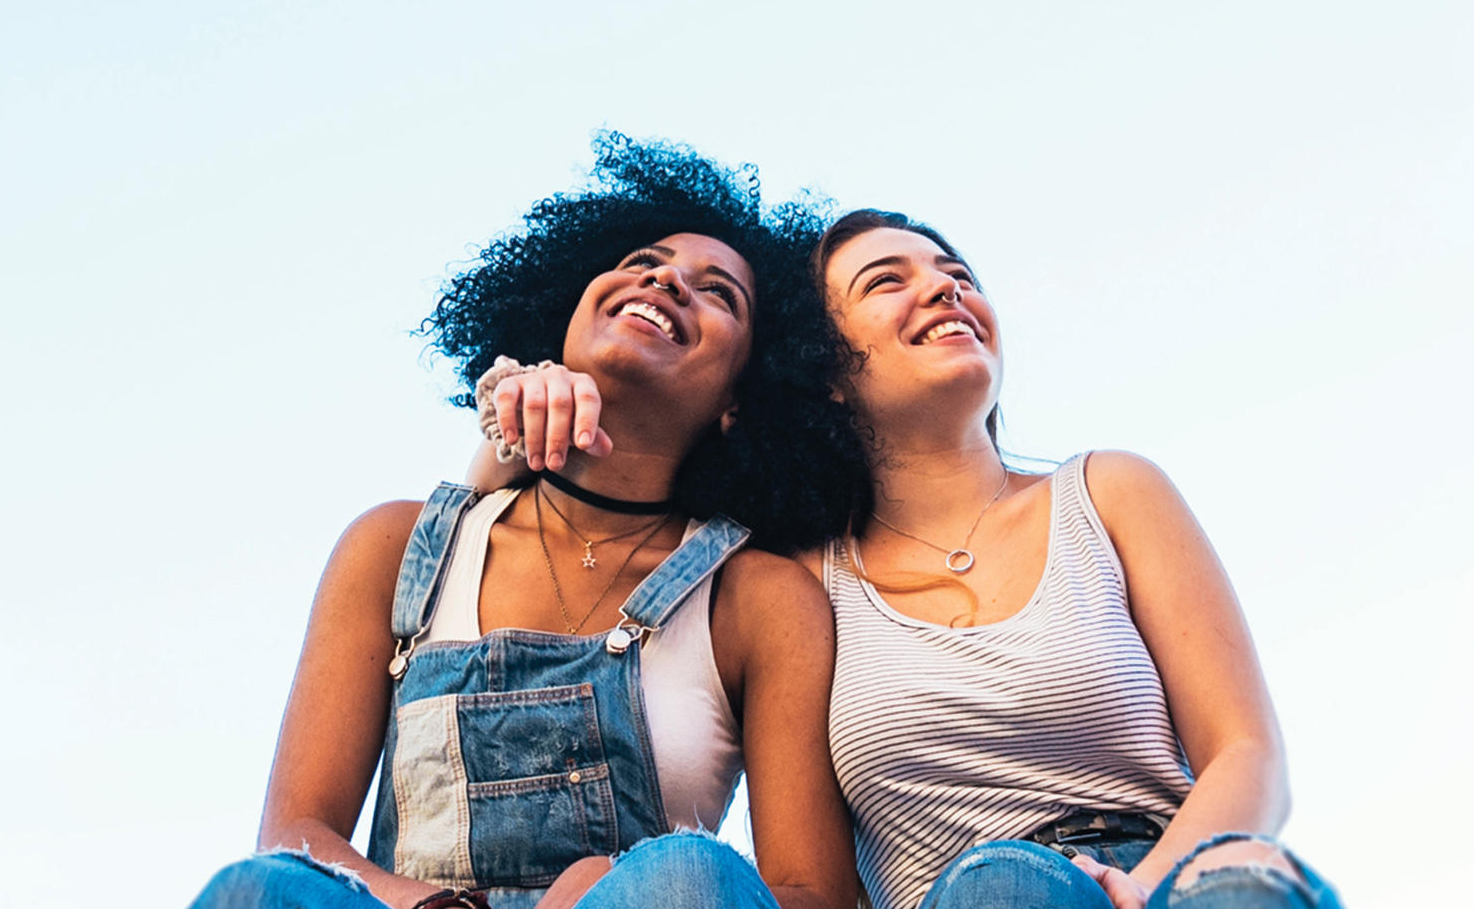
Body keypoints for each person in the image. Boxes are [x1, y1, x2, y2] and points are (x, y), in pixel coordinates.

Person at [482, 208, 1343, 909]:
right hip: (962, 899)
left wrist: (1141, 888)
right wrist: (528, 404)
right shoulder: (794, 583)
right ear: (823, 369)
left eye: (957, 274)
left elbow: (1247, 756)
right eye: (888, 281)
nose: (944, 287)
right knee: (1001, 888)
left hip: (1174, 880)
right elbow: (616, 483)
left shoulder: (1109, 494)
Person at [190, 136, 858, 909]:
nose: (666, 279)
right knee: (256, 889)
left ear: (742, 401)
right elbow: (296, 834)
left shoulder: (758, 598)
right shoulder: (398, 549)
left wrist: (626, 883)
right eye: (644, 260)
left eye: (719, 293)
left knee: (687, 878)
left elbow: (814, 893)